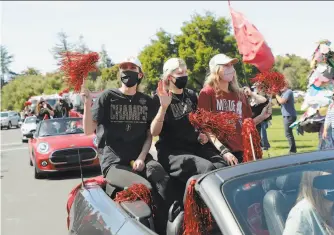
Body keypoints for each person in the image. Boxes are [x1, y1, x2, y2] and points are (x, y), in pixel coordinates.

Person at [81, 56, 171, 235]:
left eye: (132, 68)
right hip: (114, 163)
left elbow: (148, 135)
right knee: (144, 187)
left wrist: (141, 157)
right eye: (124, 68)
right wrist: (87, 102)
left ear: (140, 74)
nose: (127, 71)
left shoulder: (146, 101)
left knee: (163, 179)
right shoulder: (108, 97)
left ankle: (167, 228)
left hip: (140, 158)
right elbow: (88, 130)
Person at [151, 58, 228, 186]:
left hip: (194, 146)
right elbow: (154, 132)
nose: (184, 76)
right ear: (169, 77)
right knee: (206, 169)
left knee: (221, 164)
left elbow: (199, 121)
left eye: (185, 72)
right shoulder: (158, 98)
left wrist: (202, 133)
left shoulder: (191, 95)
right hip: (172, 153)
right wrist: (163, 107)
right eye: (180, 73)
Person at [198, 53, 272, 165]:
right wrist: (224, 151)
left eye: (231, 65)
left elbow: (245, 125)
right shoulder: (207, 93)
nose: (230, 68)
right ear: (215, 70)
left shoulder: (240, 95)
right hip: (220, 153)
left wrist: (262, 117)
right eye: (226, 65)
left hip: (243, 151)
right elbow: (206, 129)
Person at [276, 84, 297, 154]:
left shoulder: (289, 91)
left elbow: (282, 101)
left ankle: (292, 150)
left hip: (289, 115)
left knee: (288, 133)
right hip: (287, 115)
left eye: (282, 85)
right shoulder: (283, 93)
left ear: (286, 85)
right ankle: (293, 150)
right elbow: (279, 103)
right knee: (288, 133)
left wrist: (276, 94)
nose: (280, 87)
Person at [249, 85, 272, 151]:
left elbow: (264, 100)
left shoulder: (262, 96)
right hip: (254, 121)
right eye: (254, 88)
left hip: (261, 120)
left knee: (262, 132)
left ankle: (264, 145)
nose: (255, 90)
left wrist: (252, 94)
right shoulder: (253, 97)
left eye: (256, 88)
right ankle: (263, 145)